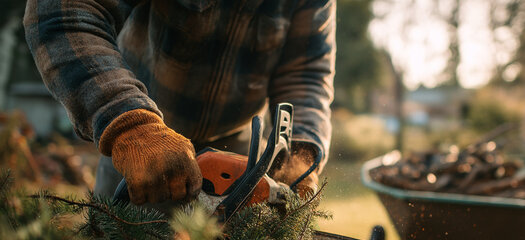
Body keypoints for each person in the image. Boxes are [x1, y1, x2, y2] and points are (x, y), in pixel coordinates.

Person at [24, 0, 335, 204]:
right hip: (142, 142)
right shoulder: (135, 130)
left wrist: (300, 153)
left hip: (237, 150)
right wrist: (128, 123)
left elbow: (306, 73)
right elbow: (63, 12)